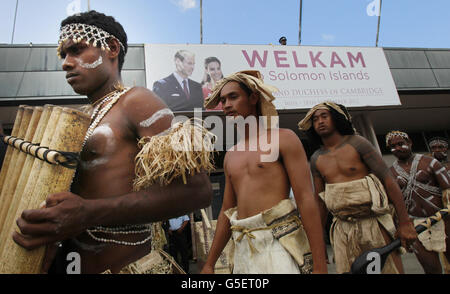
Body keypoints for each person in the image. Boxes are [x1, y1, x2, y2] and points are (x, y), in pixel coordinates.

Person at [12, 10, 213, 274]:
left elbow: (197, 190)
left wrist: (87, 213)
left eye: (77, 50)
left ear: (111, 48)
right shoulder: (81, 120)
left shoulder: (137, 101)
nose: (66, 63)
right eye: (64, 55)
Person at [200, 70, 328, 274]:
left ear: (253, 98)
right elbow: (227, 210)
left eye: (233, 97)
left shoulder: (284, 139)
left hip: (279, 245)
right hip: (243, 248)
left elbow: (305, 199)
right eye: (223, 100)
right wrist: (210, 263)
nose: (226, 105)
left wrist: (320, 264)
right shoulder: (231, 155)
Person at [298, 102, 417, 274]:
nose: (320, 122)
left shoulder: (358, 143)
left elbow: (388, 181)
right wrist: (319, 243)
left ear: (337, 118)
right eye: (315, 119)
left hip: (373, 222)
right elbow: (320, 202)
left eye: (325, 116)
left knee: (388, 269)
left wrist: (405, 223)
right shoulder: (316, 158)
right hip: (342, 229)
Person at [387, 131, 450, 274]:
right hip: (416, 225)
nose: (397, 148)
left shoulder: (430, 163)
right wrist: (400, 228)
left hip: (443, 220)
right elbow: (394, 206)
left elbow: (448, 191)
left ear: (409, 143)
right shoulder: (390, 173)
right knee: (431, 268)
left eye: (400, 144)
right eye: (393, 146)